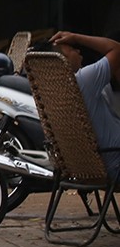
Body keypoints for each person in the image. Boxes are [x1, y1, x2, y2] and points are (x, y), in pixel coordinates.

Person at [48, 30, 120, 179]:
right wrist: (77, 37)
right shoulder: (83, 80)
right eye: (73, 48)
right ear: (63, 59)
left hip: (87, 169)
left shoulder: (53, 91)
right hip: (115, 164)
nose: (78, 50)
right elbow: (116, 49)